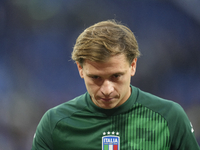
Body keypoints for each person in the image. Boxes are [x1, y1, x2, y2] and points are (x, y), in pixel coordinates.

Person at [31, 20, 200, 150]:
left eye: (116, 76)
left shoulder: (170, 117)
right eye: (95, 78)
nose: (107, 89)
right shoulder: (54, 123)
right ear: (80, 69)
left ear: (133, 66)